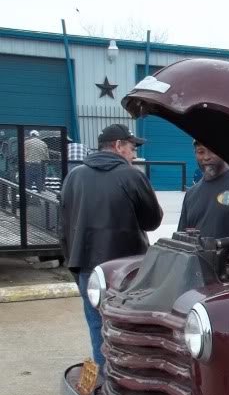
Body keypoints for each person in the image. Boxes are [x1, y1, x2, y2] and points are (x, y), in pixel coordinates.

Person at [61, 124, 163, 374]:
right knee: (129, 327)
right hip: (126, 272)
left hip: (87, 267)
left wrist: (72, 265)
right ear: (118, 146)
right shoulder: (132, 175)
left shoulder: (75, 176)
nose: (133, 154)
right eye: (131, 148)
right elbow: (152, 220)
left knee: (97, 325)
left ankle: (105, 378)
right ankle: (130, 379)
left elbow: (63, 227)